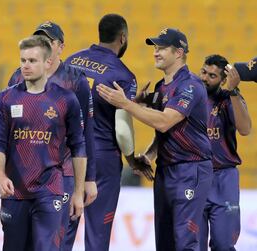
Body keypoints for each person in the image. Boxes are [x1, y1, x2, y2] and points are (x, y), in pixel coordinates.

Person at [97, 28, 213, 251]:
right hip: (165, 171)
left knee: (186, 242)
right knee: (165, 242)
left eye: (161, 48)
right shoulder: (161, 88)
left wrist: (126, 104)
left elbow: (164, 122)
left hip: (191, 169)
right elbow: (165, 134)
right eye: (155, 48)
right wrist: (149, 155)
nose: (155, 53)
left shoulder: (190, 85)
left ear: (179, 53)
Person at [0, 35, 87, 251]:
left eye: (32, 61)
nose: (26, 66)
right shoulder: (6, 99)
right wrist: (1, 176)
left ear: (47, 63)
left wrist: (78, 193)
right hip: (15, 190)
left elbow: (79, 146)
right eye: (23, 60)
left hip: (50, 189)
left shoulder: (66, 100)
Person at [64, 13, 138, 251]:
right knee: (98, 234)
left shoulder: (71, 61)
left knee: (62, 231)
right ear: (123, 38)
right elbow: (123, 131)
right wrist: (131, 157)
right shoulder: (123, 75)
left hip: (67, 154)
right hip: (103, 157)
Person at [198, 54, 251, 251]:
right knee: (193, 245)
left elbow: (245, 129)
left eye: (212, 76)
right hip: (195, 175)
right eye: (203, 72)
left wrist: (234, 91)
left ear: (223, 80)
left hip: (223, 178)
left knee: (223, 244)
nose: (204, 78)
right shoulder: (191, 95)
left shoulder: (229, 99)